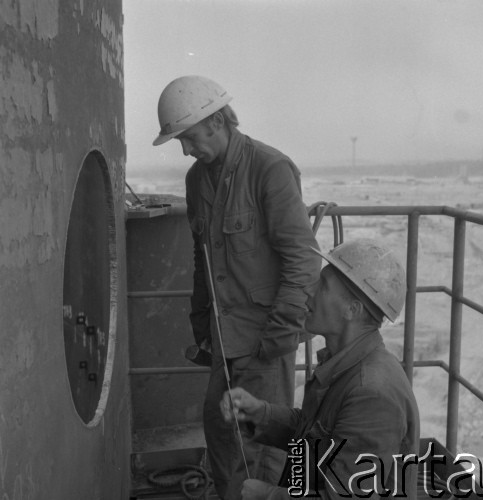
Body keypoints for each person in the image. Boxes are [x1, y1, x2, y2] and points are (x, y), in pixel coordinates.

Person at [153, 75, 321, 499]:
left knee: (266, 454)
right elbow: (202, 262)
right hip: (222, 343)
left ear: (216, 122)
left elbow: (302, 259)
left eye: (188, 138)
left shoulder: (271, 169)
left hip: (265, 341)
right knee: (224, 444)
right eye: (180, 142)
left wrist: (278, 336)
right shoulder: (196, 182)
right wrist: (200, 325)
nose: (187, 150)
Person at [221, 239, 421, 499]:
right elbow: (318, 437)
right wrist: (260, 414)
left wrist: (267, 495)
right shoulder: (344, 363)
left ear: (352, 310)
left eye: (323, 286)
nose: (310, 291)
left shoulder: (371, 394)